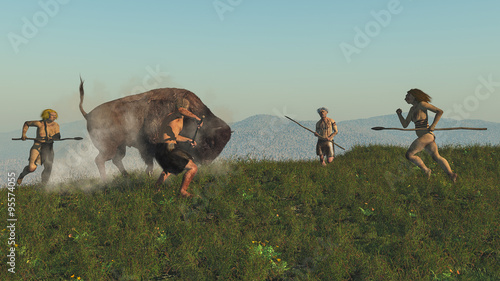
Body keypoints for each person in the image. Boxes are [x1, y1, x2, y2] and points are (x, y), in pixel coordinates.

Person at [396, 89, 458, 182]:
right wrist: (399, 115)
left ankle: (426, 170)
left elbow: (439, 111)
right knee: (436, 156)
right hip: (425, 137)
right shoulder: (412, 109)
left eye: (408, 95)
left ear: (415, 96)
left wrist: (433, 126)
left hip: (427, 136)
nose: (406, 97)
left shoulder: (422, 104)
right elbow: (405, 124)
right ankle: (451, 174)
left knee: (409, 155)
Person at [154, 98, 203, 197]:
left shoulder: (172, 118)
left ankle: (156, 189)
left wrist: (188, 140)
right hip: (168, 148)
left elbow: (175, 136)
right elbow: (181, 110)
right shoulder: (177, 115)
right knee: (193, 168)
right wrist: (196, 118)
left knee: (169, 169)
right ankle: (183, 192)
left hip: (161, 148)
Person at [17, 109, 61, 185]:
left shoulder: (56, 125)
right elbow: (27, 123)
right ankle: (22, 175)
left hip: (48, 147)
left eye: (55, 116)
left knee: (48, 167)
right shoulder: (39, 123)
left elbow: (58, 136)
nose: (54, 117)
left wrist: (52, 137)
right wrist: (23, 135)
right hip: (37, 146)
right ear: (46, 115)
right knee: (31, 168)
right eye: (52, 115)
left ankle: (44, 184)